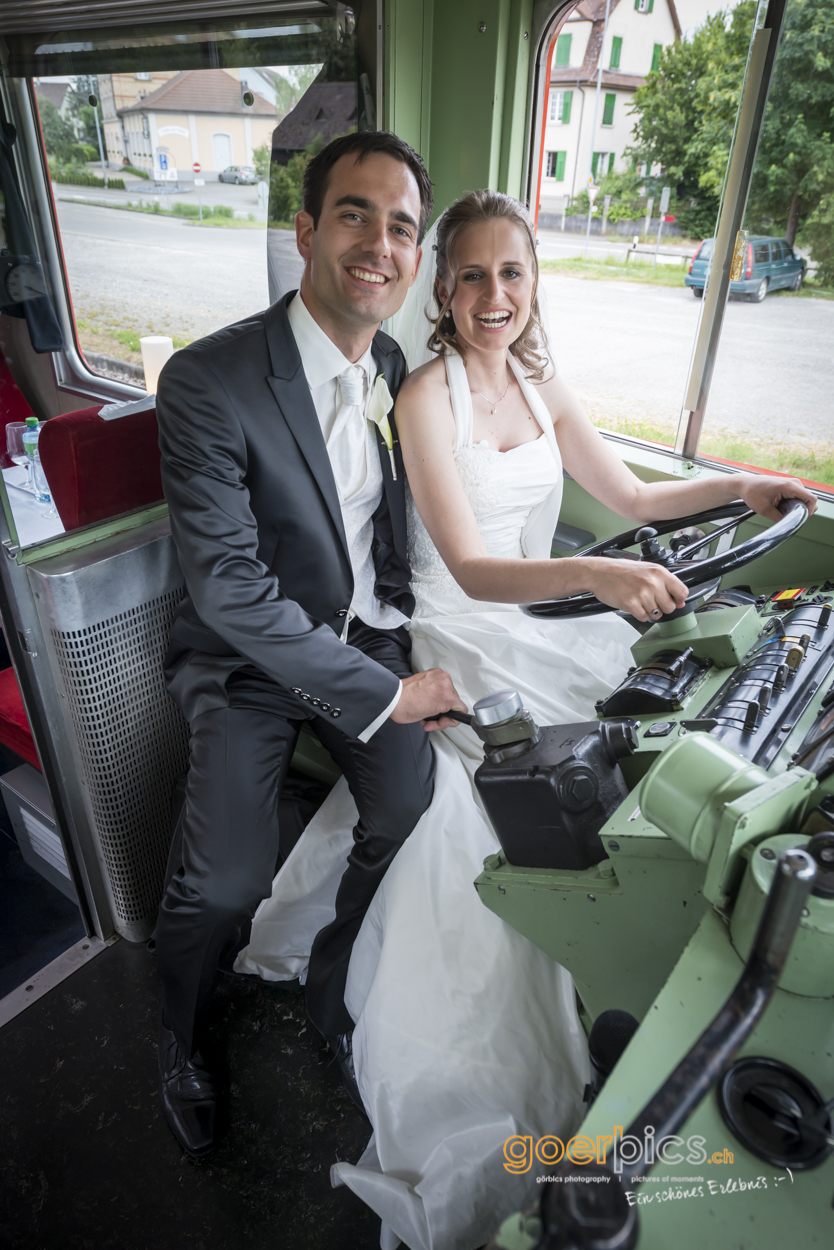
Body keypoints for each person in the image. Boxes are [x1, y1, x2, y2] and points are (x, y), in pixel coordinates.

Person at [237, 189, 817, 1249]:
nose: (493, 295)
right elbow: (465, 564)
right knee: (545, 803)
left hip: (550, 621)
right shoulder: (424, 397)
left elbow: (635, 497)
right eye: (469, 275)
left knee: (652, 748)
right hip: (469, 635)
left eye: (513, 273)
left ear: (533, 280)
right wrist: (595, 576)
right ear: (443, 292)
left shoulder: (544, 380)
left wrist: (744, 486)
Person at [152, 131, 467, 1160]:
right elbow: (233, 591)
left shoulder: (386, 362)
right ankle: (175, 1036)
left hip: (360, 640)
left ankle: (332, 986)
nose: (380, 242)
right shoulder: (209, 381)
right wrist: (388, 693)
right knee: (228, 880)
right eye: (354, 214)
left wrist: (423, 643)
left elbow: (378, 527)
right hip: (245, 663)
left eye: (403, 226)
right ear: (304, 230)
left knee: (413, 805)